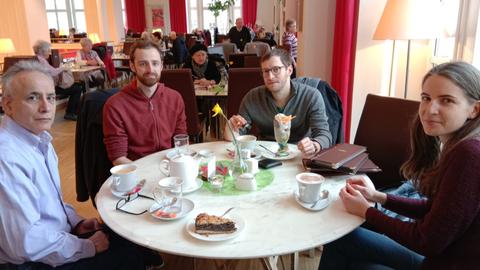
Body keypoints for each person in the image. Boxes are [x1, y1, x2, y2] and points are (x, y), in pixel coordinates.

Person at [318, 61, 480, 270]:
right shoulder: (460, 146)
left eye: (447, 100)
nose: (430, 109)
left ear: (474, 109)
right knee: (342, 243)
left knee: (357, 261)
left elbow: (428, 242)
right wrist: (378, 196)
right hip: (437, 259)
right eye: (426, 98)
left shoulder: (469, 155)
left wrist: (367, 211)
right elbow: (436, 210)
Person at [0, 60, 155, 270]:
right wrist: (86, 246)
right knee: (130, 257)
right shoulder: (7, 157)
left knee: (129, 235)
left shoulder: (39, 140)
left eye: (51, 97)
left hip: (51, 239)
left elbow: (47, 204)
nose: (46, 107)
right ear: (7, 104)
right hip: (30, 261)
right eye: (33, 97)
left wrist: (75, 221)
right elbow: (26, 242)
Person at [225, 49, 332, 155]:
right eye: (266, 71)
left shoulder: (311, 96)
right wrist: (231, 130)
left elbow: (324, 135)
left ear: (289, 70)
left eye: (276, 69)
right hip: (264, 156)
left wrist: (314, 145)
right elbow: (237, 136)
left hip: (299, 155)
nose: (270, 76)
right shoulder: (253, 97)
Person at [103, 40, 187, 165]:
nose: (150, 69)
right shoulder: (115, 105)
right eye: (143, 64)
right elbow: (118, 157)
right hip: (136, 173)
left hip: (170, 168)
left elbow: (180, 142)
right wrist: (147, 175)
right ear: (132, 66)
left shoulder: (175, 98)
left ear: (161, 66)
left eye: (155, 63)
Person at [33, 40, 82, 121]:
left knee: (77, 86)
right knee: (77, 89)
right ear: (43, 51)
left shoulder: (38, 59)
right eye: (48, 50)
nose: (49, 52)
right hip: (48, 88)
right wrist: (62, 68)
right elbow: (50, 72)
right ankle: (70, 112)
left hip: (47, 86)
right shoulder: (41, 61)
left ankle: (74, 111)